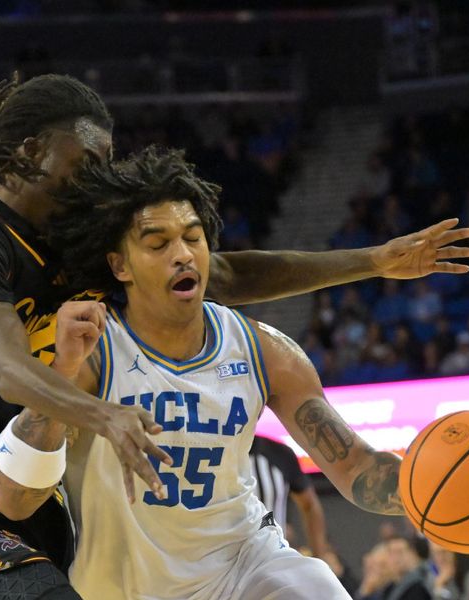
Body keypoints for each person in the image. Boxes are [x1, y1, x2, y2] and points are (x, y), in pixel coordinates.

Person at [0, 73, 469, 599]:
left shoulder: (83, 246)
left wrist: (375, 260)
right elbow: (11, 369)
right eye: (88, 161)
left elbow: (228, 273)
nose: (99, 175)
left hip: (49, 500)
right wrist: (106, 416)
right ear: (31, 153)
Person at [31, 146, 414, 599]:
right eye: (158, 244)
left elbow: (355, 467)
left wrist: (426, 492)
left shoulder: (264, 351)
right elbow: (18, 491)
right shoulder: (94, 349)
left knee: (316, 587)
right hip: (124, 586)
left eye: (193, 238)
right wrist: (60, 378)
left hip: (242, 567)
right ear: (120, 265)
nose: (183, 255)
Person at [249, 435, 329, 557]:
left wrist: (319, 558)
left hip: (273, 560)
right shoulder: (214, 454)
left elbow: (309, 505)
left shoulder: (278, 453)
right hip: (221, 564)